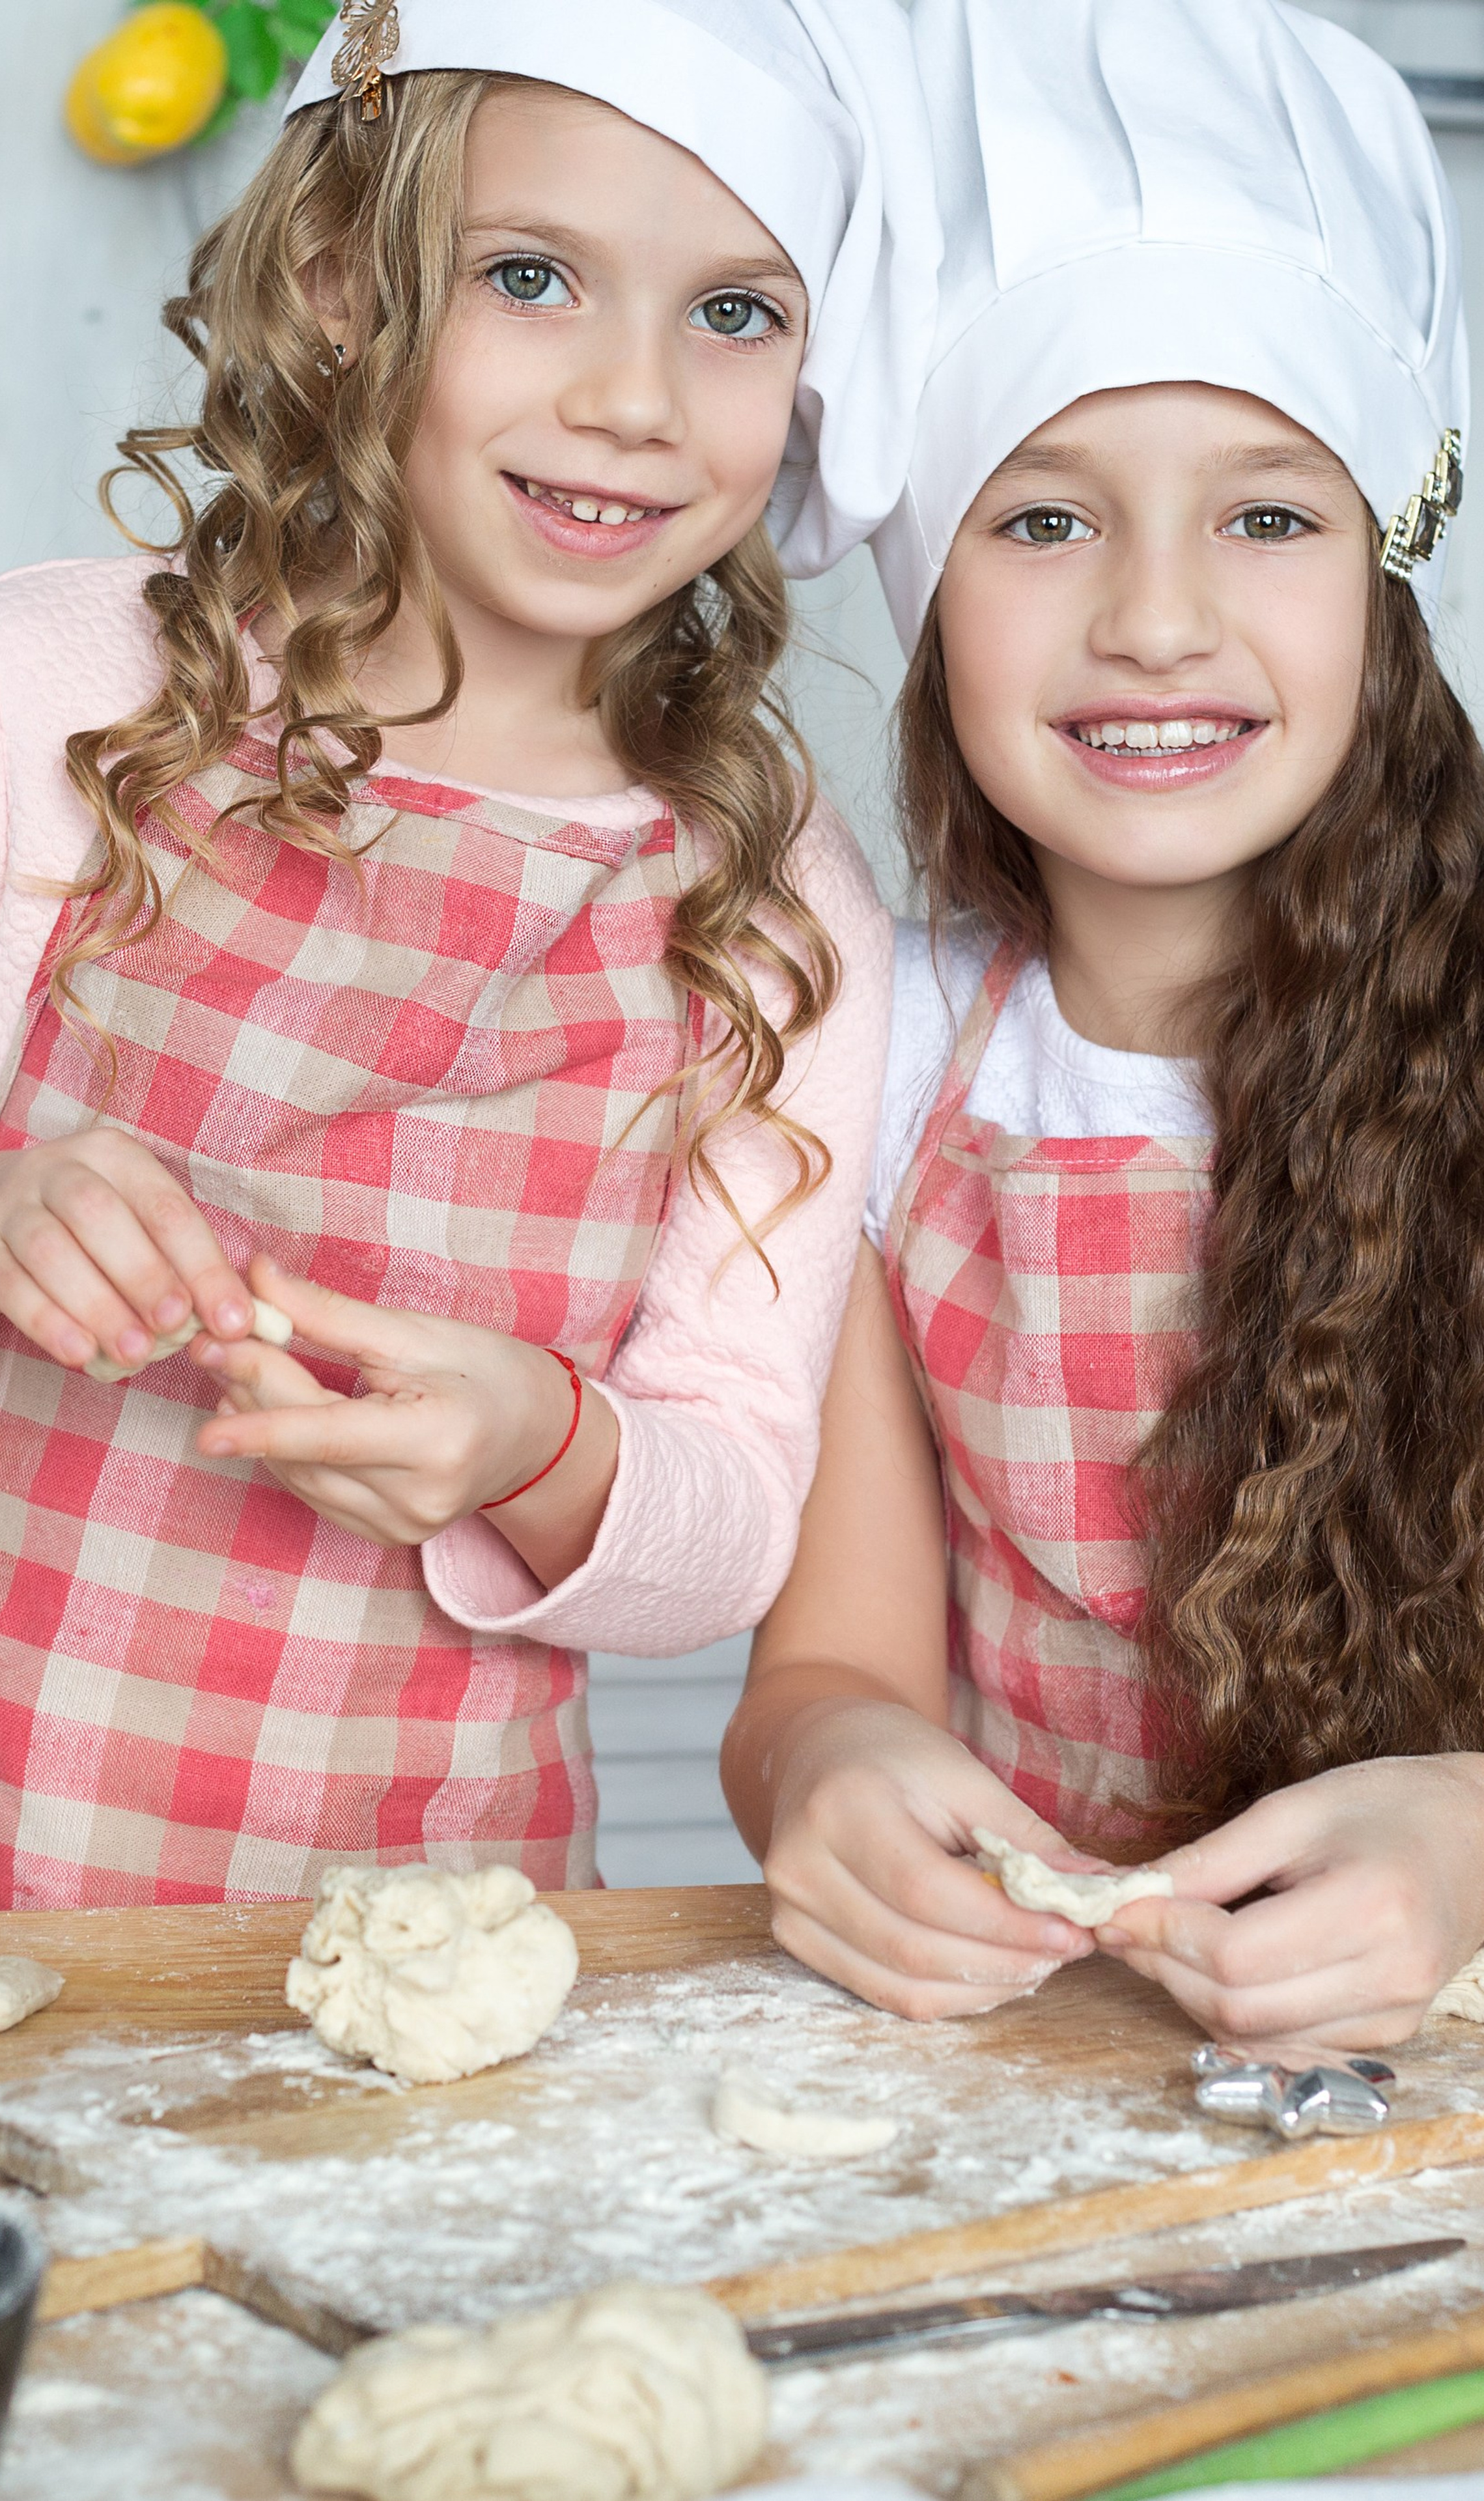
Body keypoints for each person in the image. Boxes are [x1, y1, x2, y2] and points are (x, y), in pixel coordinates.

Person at [0, 0, 936, 1913]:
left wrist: (536, 1445)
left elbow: (737, 1512)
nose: (636, 399)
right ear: (341, 279)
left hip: (427, 1929)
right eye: (532, 277)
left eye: (736, 313)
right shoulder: (54, 688)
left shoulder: (774, 906)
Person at [723, 0, 1484, 2056]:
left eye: (1268, 516)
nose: (1154, 619)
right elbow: (827, 1677)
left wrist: (1465, 1834)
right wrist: (829, 1773)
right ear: (931, 603)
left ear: (1385, 590)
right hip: (1045, 2059)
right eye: (1046, 520)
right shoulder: (883, 1060)